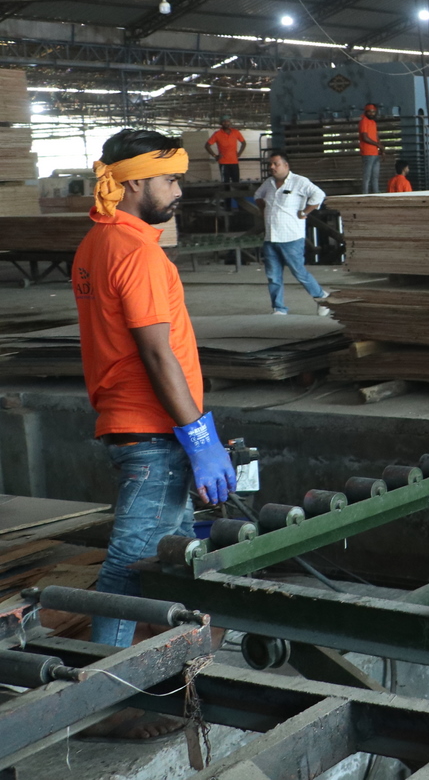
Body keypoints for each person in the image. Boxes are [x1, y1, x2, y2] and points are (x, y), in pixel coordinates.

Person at [72, 129, 236, 740]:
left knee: (166, 560)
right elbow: (156, 354)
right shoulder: (137, 252)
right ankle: (101, 700)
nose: (179, 191)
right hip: (154, 432)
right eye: (170, 180)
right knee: (127, 564)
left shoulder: (98, 241)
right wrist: (199, 438)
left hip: (136, 425)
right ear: (136, 180)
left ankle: (163, 674)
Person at [253, 151, 331, 316]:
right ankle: (279, 308)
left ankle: (322, 298)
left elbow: (319, 194)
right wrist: (263, 210)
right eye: (270, 164)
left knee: (298, 272)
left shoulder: (299, 181)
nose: (272, 167)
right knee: (273, 276)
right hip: (271, 237)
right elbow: (258, 195)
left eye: (276, 164)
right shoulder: (269, 183)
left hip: (291, 237)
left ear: (286, 165)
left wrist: (305, 212)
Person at [204, 116, 247, 183]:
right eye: (224, 122)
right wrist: (215, 156)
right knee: (225, 182)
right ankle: (226, 193)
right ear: (221, 123)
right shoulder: (217, 134)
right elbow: (207, 146)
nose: (226, 123)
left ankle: (235, 193)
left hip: (234, 161)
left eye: (227, 121)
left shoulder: (236, 132)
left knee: (236, 181)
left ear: (230, 122)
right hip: (223, 162)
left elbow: (243, 143)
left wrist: (239, 153)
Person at [358, 103, 382, 194]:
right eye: (370, 112)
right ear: (366, 112)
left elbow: (376, 136)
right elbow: (365, 137)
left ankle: (376, 193)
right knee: (367, 176)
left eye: (373, 112)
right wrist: (378, 145)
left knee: (375, 176)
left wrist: (381, 147)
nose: (372, 113)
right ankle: (365, 194)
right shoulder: (364, 121)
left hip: (375, 152)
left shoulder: (373, 122)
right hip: (367, 152)